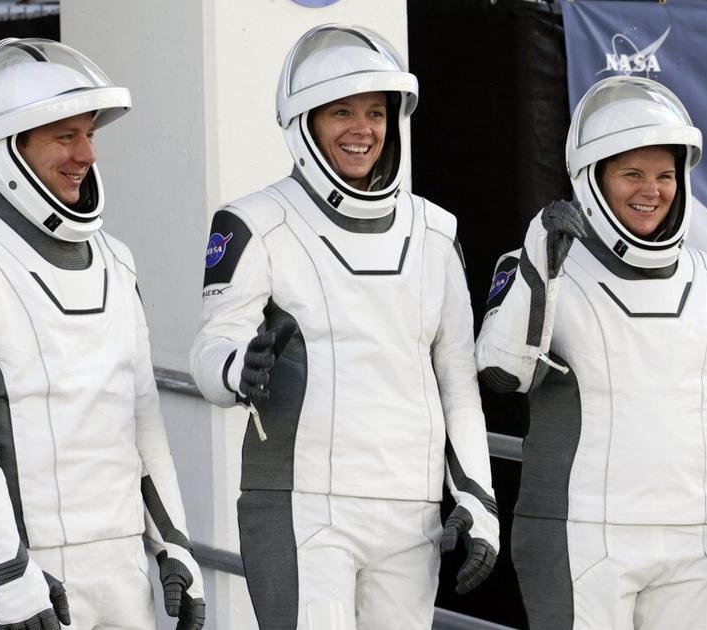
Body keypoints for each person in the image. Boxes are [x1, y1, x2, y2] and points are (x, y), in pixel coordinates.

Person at [475, 75, 707, 630]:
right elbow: (502, 374)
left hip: (692, 539)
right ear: (593, 177)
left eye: (665, 175)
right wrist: (538, 267)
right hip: (579, 536)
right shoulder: (537, 266)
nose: (652, 190)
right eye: (632, 174)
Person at [189, 24, 498, 629]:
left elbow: (458, 385)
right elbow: (210, 347)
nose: (363, 129)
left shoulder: (436, 231)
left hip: (411, 514)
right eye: (342, 112)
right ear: (304, 123)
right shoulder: (254, 222)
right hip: (303, 508)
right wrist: (236, 368)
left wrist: (478, 499)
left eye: (376, 113)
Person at [0, 38, 205, 630]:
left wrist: (175, 545)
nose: (86, 154)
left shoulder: (116, 259)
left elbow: (143, 422)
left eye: (89, 133)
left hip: (123, 568)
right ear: (3, 148)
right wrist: (9, 574)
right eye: (65, 136)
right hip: (25, 575)